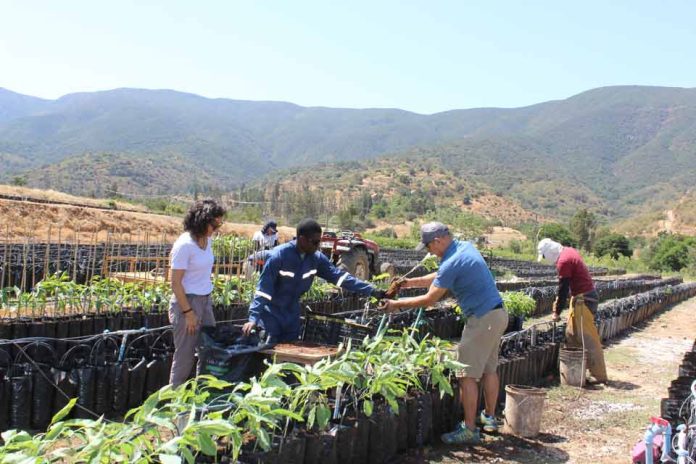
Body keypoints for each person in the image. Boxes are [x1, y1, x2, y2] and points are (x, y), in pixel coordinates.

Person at [380, 222, 507, 445]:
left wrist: (395, 304)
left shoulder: (453, 261)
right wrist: (408, 283)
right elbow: (441, 274)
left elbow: (430, 299)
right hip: (496, 314)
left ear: (438, 241)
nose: (429, 251)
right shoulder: (463, 248)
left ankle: (469, 430)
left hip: (481, 319)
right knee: (489, 369)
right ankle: (489, 418)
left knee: (466, 374)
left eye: (429, 247)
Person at [242, 218, 386, 342]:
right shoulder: (279, 257)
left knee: (290, 359)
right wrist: (253, 318)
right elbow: (263, 291)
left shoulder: (316, 259)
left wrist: (372, 291)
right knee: (267, 357)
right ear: (302, 239)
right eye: (315, 242)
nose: (318, 246)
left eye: (319, 241)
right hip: (271, 317)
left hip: (292, 316)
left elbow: (341, 278)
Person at [168, 199, 226, 387]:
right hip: (188, 303)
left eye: (219, 223)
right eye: (214, 224)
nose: (217, 228)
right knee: (184, 356)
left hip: (205, 301)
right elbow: (175, 283)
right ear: (202, 220)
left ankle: (201, 395)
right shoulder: (185, 245)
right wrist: (188, 313)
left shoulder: (206, 241)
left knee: (208, 350)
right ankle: (174, 404)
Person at [537, 237, 608, 384]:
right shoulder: (568, 251)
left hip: (585, 300)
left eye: (544, 256)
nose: (545, 259)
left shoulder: (564, 261)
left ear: (549, 252)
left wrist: (556, 312)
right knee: (571, 334)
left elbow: (563, 289)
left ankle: (599, 375)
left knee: (587, 338)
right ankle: (572, 371)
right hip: (580, 297)